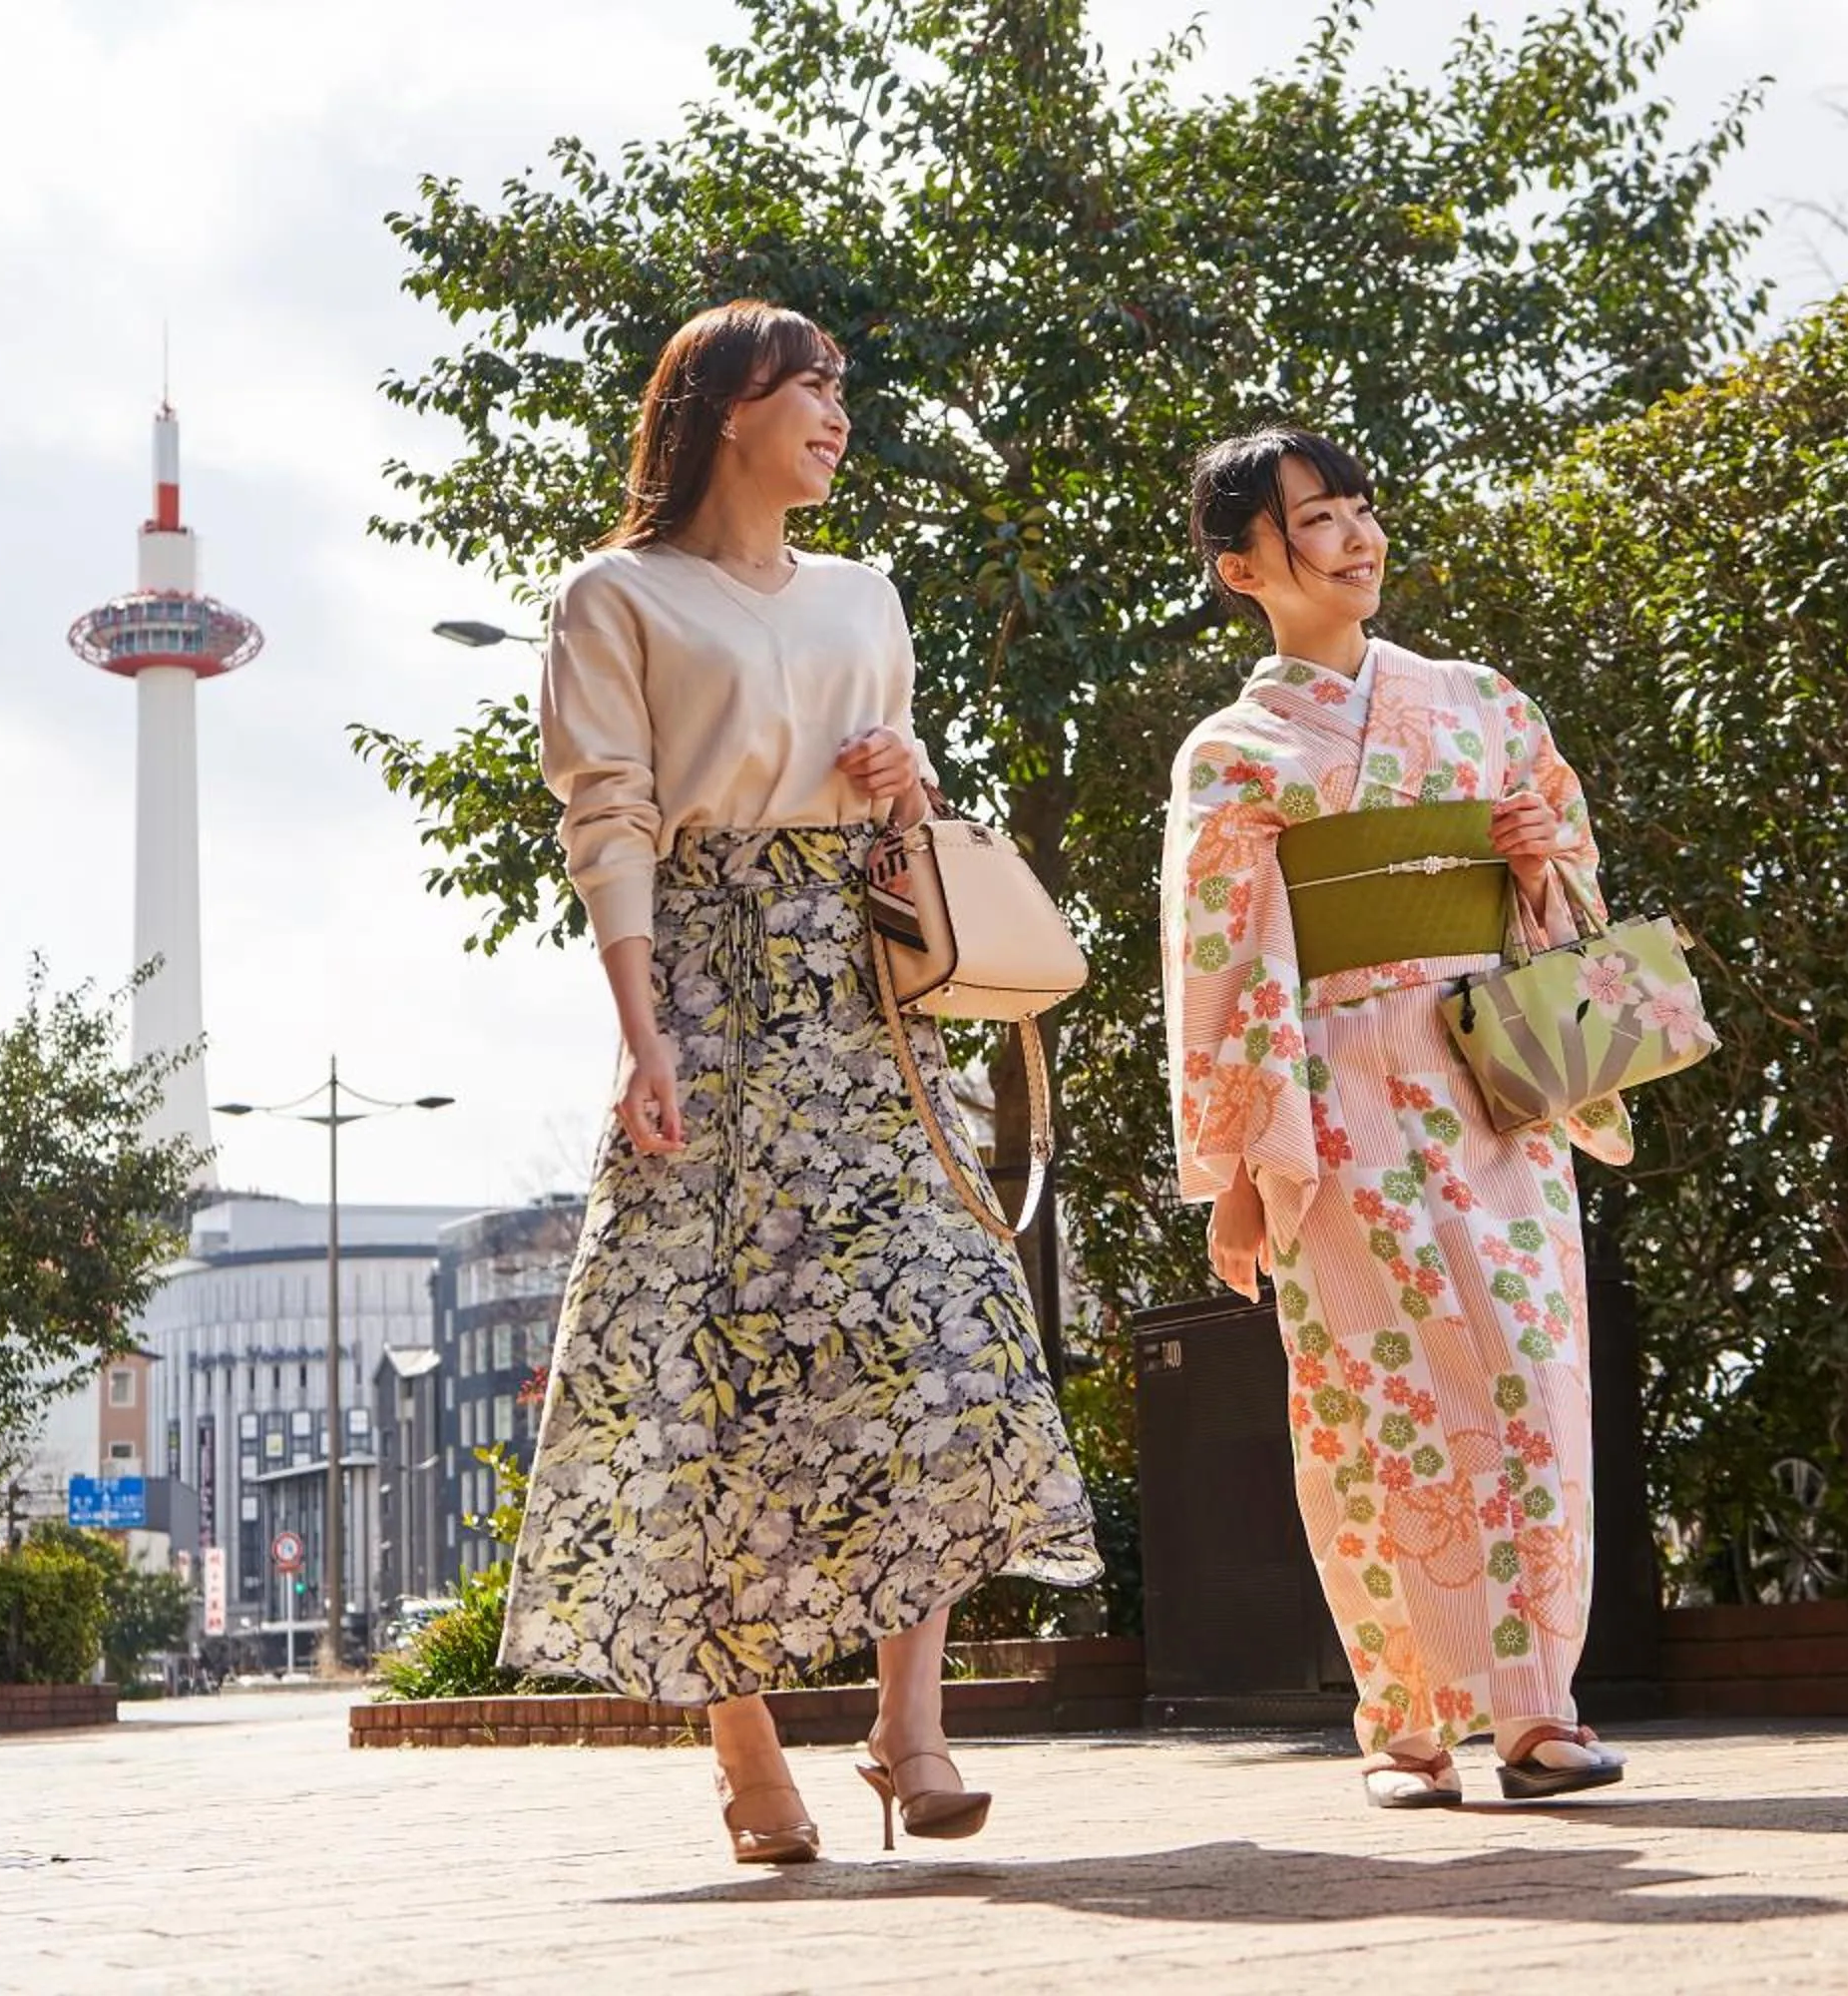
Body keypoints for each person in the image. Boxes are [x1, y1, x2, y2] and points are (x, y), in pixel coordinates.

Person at [497, 299, 1098, 1866]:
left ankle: (910, 1728)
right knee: (699, 1370)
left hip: (859, 1001)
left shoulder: (863, 595)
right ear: (721, 406)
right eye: (809, 385)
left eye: (842, 387)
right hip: (701, 986)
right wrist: (645, 1036)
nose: (838, 411)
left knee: (946, 1332)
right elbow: (608, 820)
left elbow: (897, 823)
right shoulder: (612, 595)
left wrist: (909, 784)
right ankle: (745, 1750)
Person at [1160, 425, 1632, 1808]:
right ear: (1244, 565)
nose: (1356, 535)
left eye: (1360, 508)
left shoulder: (1483, 703)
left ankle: (1541, 1709)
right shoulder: (1233, 752)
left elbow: (1567, 885)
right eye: (1317, 520)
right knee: (1375, 1404)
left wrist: (1542, 867)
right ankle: (1403, 1721)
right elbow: (1220, 958)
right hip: (1331, 1094)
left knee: (1534, 1380)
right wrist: (1243, 1166)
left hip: (1489, 1081)